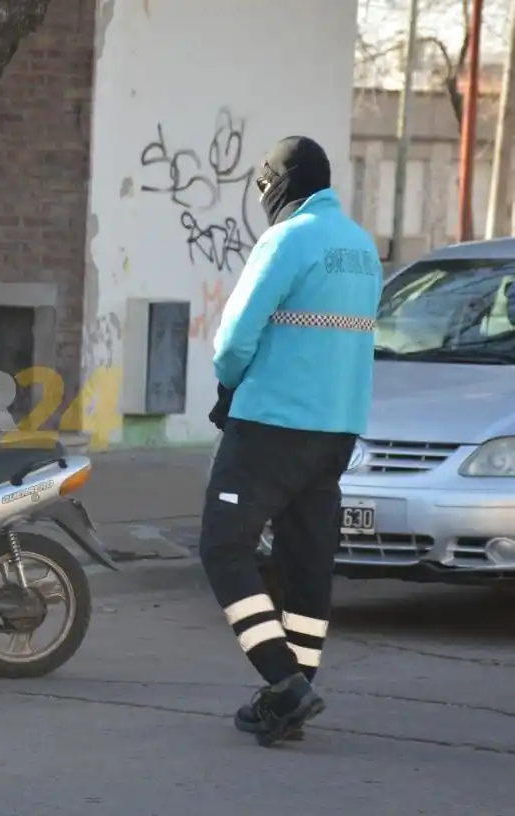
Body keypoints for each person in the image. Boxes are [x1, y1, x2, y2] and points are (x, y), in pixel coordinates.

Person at [199, 135, 382, 746]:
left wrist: (228, 386)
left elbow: (233, 341)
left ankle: (283, 682)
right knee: (306, 566)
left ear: (279, 183)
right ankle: (292, 698)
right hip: (336, 430)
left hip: (272, 426)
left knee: (225, 548)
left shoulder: (286, 240)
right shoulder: (361, 248)